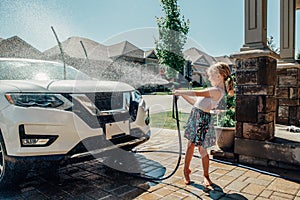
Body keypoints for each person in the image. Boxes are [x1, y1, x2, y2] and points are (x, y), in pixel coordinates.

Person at [173, 62, 234, 187]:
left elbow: (197, 93)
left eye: (211, 75)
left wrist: (181, 91)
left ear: (219, 76)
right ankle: (186, 170)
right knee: (190, 146)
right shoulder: (213, 90)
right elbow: (196, 102)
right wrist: (182, 94)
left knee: (202, 149)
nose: (209, 78)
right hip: (196, 116)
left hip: (203, 119)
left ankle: (206, 176)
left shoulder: (217, 91)